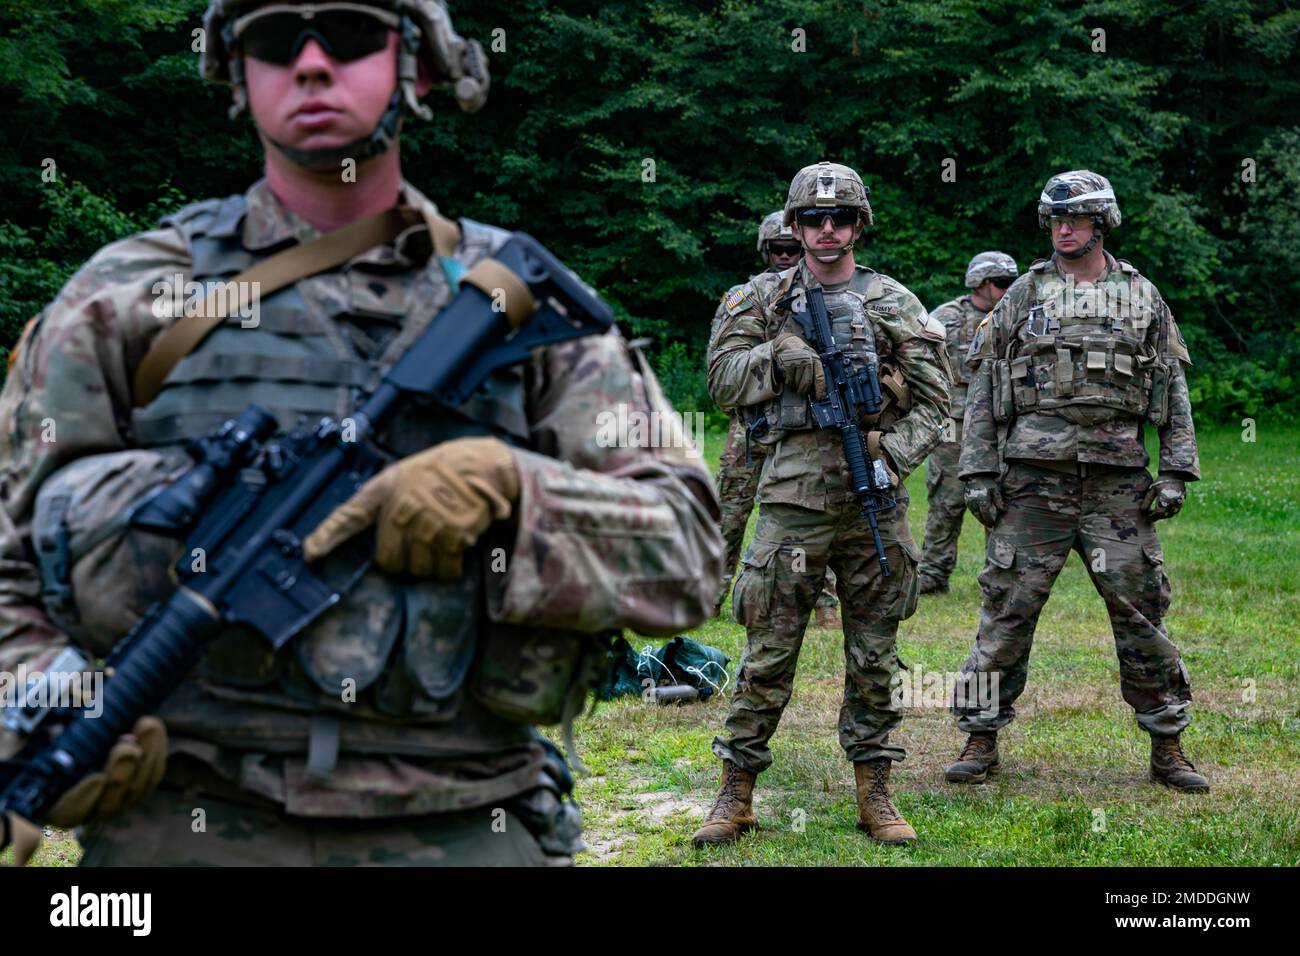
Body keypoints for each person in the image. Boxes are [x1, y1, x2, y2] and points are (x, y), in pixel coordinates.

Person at [0, 0, 723, 866]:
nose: (309, 63)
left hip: (469, 821)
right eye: (273, 39)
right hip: (182, 826)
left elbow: (690, 555)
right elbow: (11, 557)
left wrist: (515, 492)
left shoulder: (508, 299)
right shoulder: (123, 299)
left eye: (345, 34)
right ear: (239, 72)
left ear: (418, 66)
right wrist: (49, 710)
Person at [693, 161, 950, 847]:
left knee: (875, 649)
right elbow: (721, 382)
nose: (827, 230)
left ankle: (876, 792)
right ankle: (735, 792)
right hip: (792, 493)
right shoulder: (758, 300)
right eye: (813, 219)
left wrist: (891, 455)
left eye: (840, 218)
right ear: (795, 225)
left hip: (874, 493)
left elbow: (936, 400)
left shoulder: (893, 301)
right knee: (769, 650)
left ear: (860, 224)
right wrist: (777, 356)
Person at [946, 170, 1207, 793]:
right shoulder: (1022, 295)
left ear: (1102, 223)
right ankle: (980, 738)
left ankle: (1167, 743)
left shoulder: (1141, 296)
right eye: (1056, 219)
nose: (1064, 228)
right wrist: (978, 470)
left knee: (1142, 610)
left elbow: (1171, 387)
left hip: (1117, 484)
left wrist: (1175, 469)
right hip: (1030, 482)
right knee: (1007, 608)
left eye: (1078, 218)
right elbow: (983, 386)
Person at [709, 211, 839, 626]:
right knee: (728, 510)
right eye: (777, 249)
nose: (785, 256)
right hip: (752, 425)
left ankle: (823, 602)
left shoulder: (827, 294)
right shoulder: (747, 296)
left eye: (792, 248)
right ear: (766, 251)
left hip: (808, 423)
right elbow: (721, 364)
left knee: (814, 508)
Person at [916, 251, 1018, 595]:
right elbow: (918, 363)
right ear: (980, 282)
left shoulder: (1018, 317)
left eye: (1010, 283)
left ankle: (1001, 573)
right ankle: (933, 571)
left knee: (1001, 498)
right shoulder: (946, 318)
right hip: (954, 425)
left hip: (1002, 422)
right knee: (946, 497)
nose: (1007, 289)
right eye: (1001, 283)